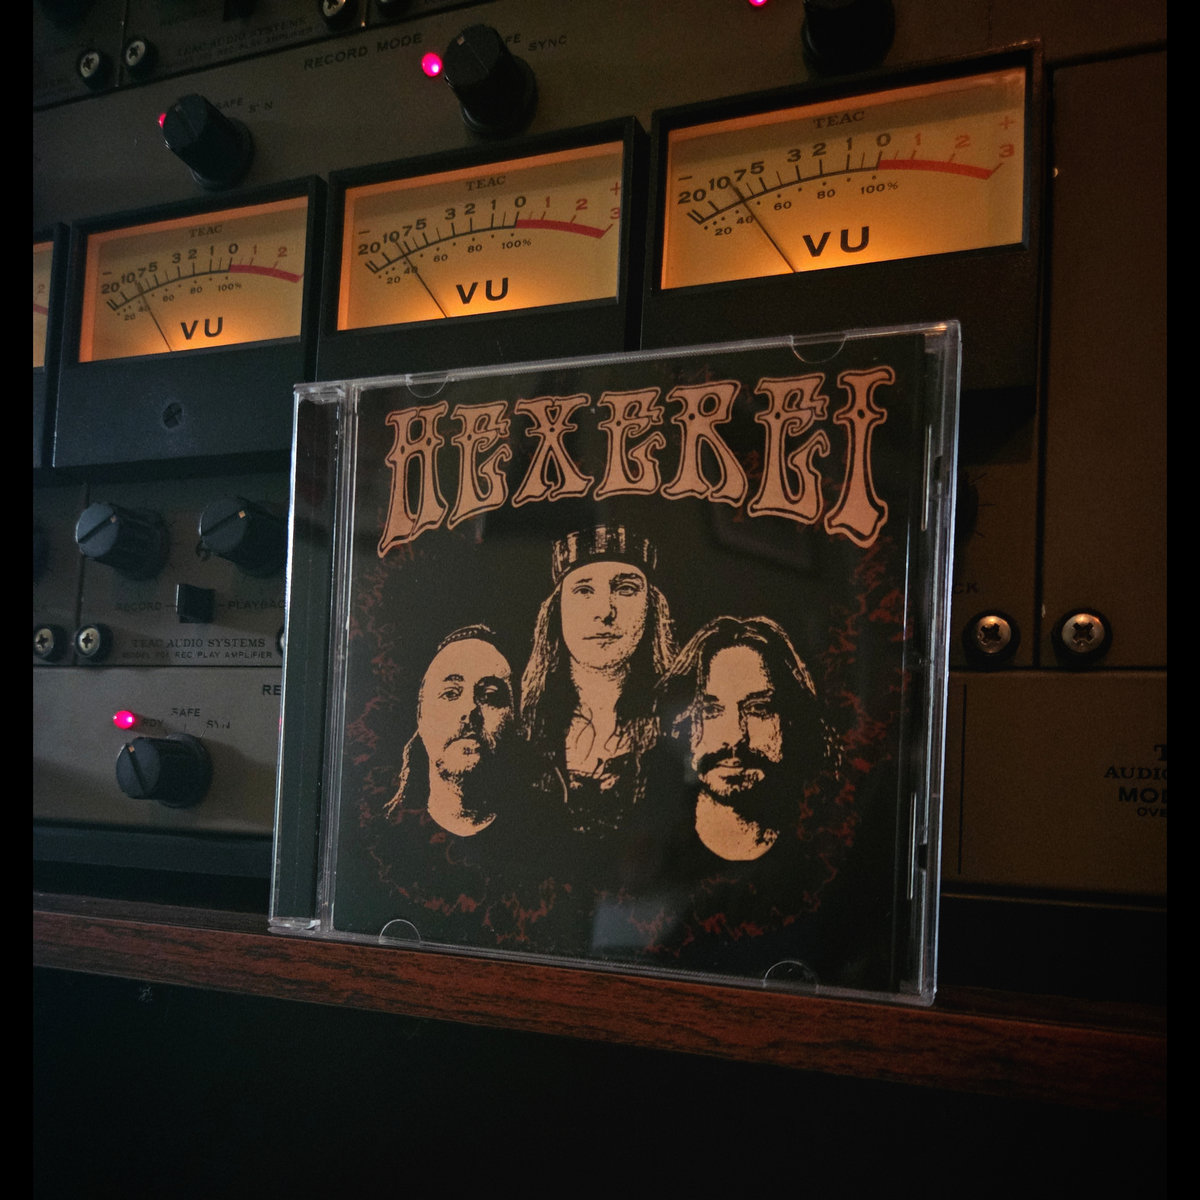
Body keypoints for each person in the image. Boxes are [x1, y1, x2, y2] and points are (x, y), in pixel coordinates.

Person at [520, 524, 676, 838]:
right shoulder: (520, 726)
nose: (605, 611)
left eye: (626, 589)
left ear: (651, 607)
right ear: (557, 609)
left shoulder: (680, 722)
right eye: (583, 590)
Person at [656, 615, 825, 861]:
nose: (735, 737)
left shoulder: (826, 839)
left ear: (791, 719)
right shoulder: (656, 840)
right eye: (711, 710)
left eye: (758, 709)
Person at [383, 624, 517, 835]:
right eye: (450, 694)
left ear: (514, 716)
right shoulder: (384, 834)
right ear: (421, 715)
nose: (470, 708)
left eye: (490, 695)